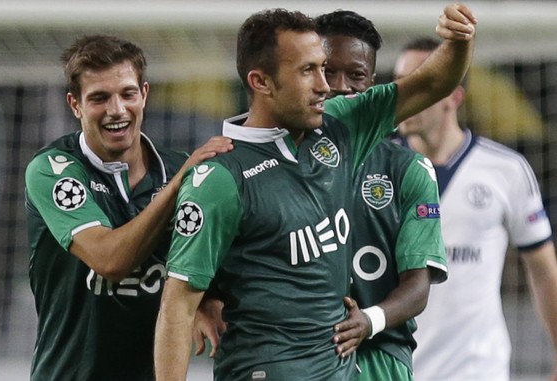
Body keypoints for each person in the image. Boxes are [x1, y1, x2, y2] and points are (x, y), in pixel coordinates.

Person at [154, 4, 476, 381]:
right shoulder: (221, 178)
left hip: (339, 369)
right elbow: (177, 308)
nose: (326, 85)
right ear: (261, 82)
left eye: (322, 68)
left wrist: (458, 41)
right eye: (309, 71)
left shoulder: (339, 125)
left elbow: (431, 83)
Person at [24, 34, 232, 381]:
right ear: (75, 105)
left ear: (145, 95)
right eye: (99, 98)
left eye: (127, 94)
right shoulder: (54, 170)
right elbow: (110, 260)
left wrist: (209, 295)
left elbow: (204, 254)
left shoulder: (176, 168)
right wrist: (178, 185)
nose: (117, 110)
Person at [393, 37, 557, 381]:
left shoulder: (506, 169)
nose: (402, 96)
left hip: (478, 370)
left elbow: (543, 269)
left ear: (454, 96)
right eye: (399, 83)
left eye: (418, 85)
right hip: (395, 370)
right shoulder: (375, 170)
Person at [315, 11, 447, 381]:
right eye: (327, 71)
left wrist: (368, 321)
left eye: (355, 76)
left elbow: (418, 285)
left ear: (373, 85)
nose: (340, 87)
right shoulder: (270, 161)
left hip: (380, 357)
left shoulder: (408, 170)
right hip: (298, 355)